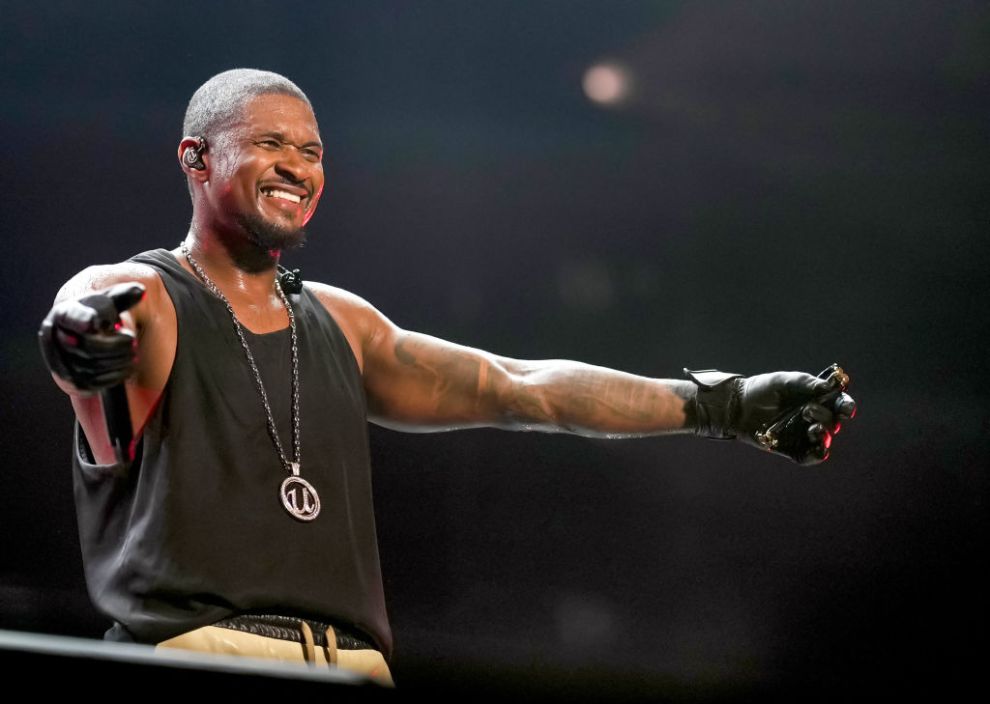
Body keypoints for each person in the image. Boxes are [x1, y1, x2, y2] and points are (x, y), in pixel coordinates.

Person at [38, 69, 856, 686]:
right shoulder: (152, 295)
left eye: (313, 151)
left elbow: (519, 384)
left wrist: (725, 404)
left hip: (355, 669)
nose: (297, 165)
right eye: (270, 143)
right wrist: (78, 336)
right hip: (199, 657)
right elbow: (87, 310)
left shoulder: (342, 323)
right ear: (197, 157)